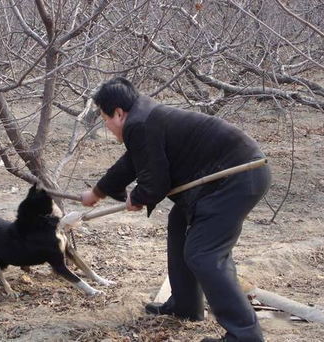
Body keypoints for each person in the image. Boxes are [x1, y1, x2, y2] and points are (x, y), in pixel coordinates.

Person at [80, 77, 270, 342]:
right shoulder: (142, 119)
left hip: (236, 176)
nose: (107, 126)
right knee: (179, 223)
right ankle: (186, 305)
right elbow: (133, 162)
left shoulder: (140, 124)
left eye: (105, 118)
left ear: (119, 113)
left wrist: (139, 196)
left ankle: (245, 335)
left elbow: (155, 183)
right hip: (227, 176)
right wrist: (97, 192)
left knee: (204, 254)